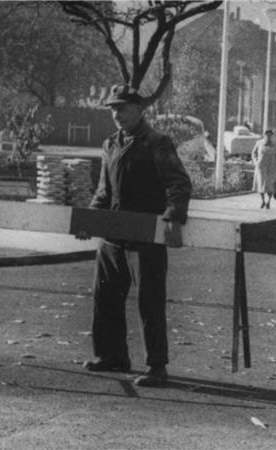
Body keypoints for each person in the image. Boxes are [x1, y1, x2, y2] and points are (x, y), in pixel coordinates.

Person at [82, 84, 192, 388]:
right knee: (105, 297)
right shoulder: (111, 143)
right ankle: (111, 356)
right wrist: (91, 220)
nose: (117, 115)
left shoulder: (157, 142)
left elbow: (179, 183)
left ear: (140, 110)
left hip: (146, 237)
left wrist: (173, 217)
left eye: (123, 109)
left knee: (149, 303)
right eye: (113, 109)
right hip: (113, 237)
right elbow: (104, 191)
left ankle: (157, 367)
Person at [252, 129, 276, 209]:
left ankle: (268, 201)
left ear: (272, 136)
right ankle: (262, 201)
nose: (268, 136)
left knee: (270, 186)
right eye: (267, 135)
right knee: (261, 185)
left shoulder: (275, 145)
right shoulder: (259, 143)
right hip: (261, 168)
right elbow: (253, 153)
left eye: (270, 135)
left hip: (272, 169)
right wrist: (256, 162)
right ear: (264, 135)